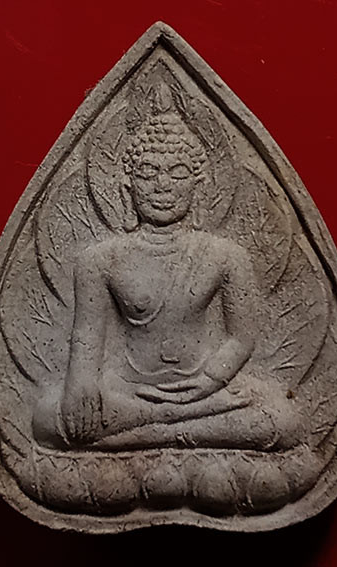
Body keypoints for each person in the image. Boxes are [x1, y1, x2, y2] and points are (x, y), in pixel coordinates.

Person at [33, 108, 302, 452]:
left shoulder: (225, 255)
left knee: (284, 420)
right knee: (46, 417)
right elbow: (86, 340)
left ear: (198, 184)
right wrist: (81, 388)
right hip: (128, 388)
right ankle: (174, 424)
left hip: (206, 390)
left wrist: (211, 380)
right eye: (148, 173)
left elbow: (241, 337)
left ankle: (151, 429)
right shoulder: (100, 259)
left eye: (177, 173)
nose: (162, 186)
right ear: (128, 186)